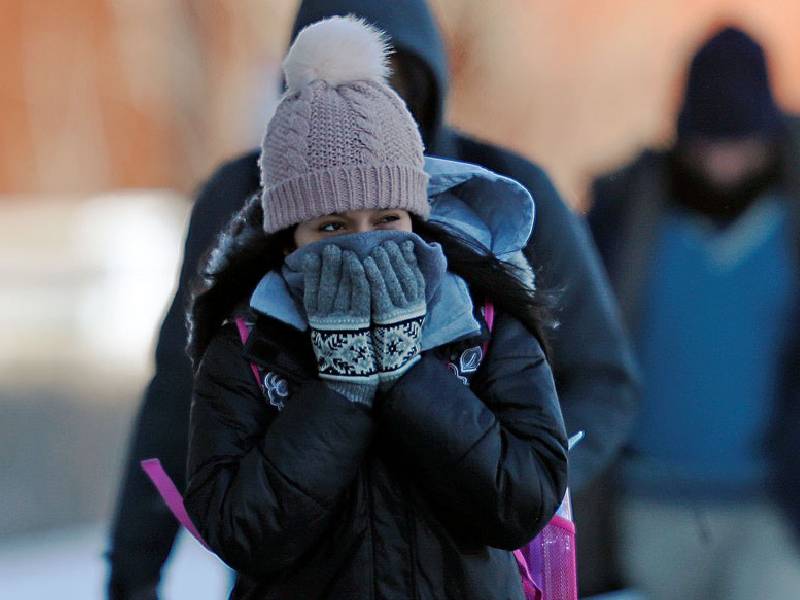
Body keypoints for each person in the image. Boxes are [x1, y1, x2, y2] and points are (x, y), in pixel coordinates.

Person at [107, 1, 638, 597]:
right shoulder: (240, 202)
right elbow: (181, 393)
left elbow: (598, 380)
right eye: (331, 226)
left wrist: (525, 488)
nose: (362, 242)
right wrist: (135, 568)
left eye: (389, 82)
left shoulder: (502, 201)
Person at [589, 26, 800, 600]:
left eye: (740, 142)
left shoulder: (791, 225)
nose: (725, 163)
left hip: (774, 511)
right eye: (710, 143)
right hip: (650, 502)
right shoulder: (624, 217)